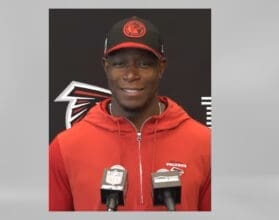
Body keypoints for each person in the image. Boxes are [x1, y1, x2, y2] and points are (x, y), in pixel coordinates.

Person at [49, 16, 211, 211]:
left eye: (144, 64)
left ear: (161, 67)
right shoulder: (65, 147)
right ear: (106, 67)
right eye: (119, 64)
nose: (131, 75)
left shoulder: (205, 144)